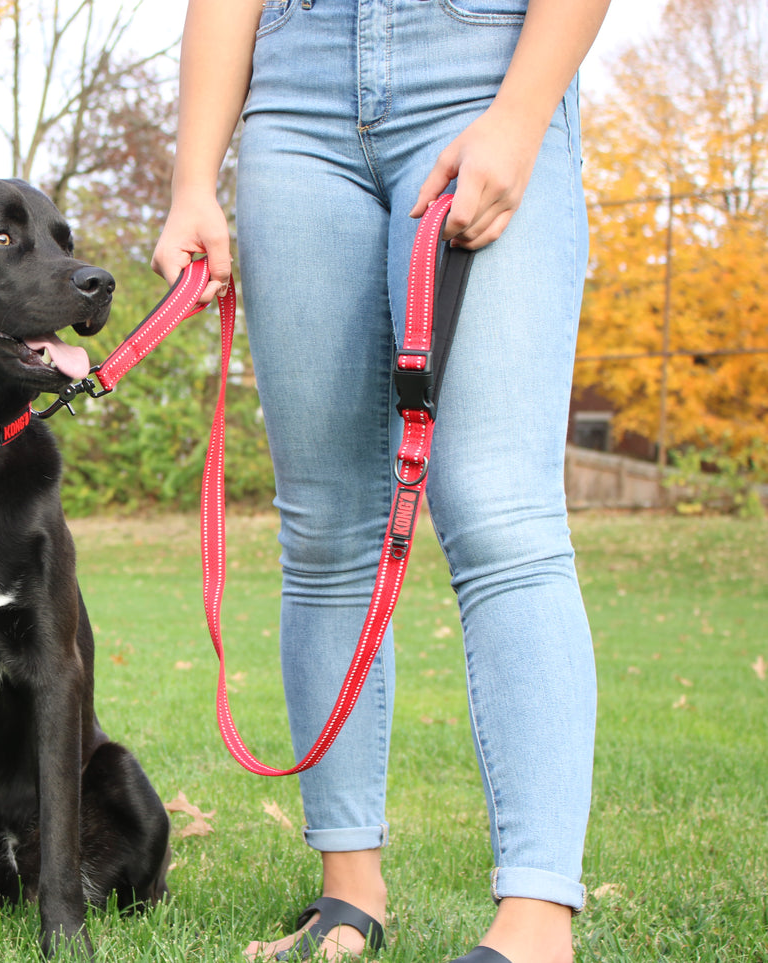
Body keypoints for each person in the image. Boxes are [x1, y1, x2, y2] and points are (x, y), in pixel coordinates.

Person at [150, 1, 611, 962]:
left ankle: (534, 922)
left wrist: (520, 117)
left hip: (478, 61)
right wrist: (194, 176)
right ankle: (347, 892)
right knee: (323, 529)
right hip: (293, 96)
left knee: (498, 513)